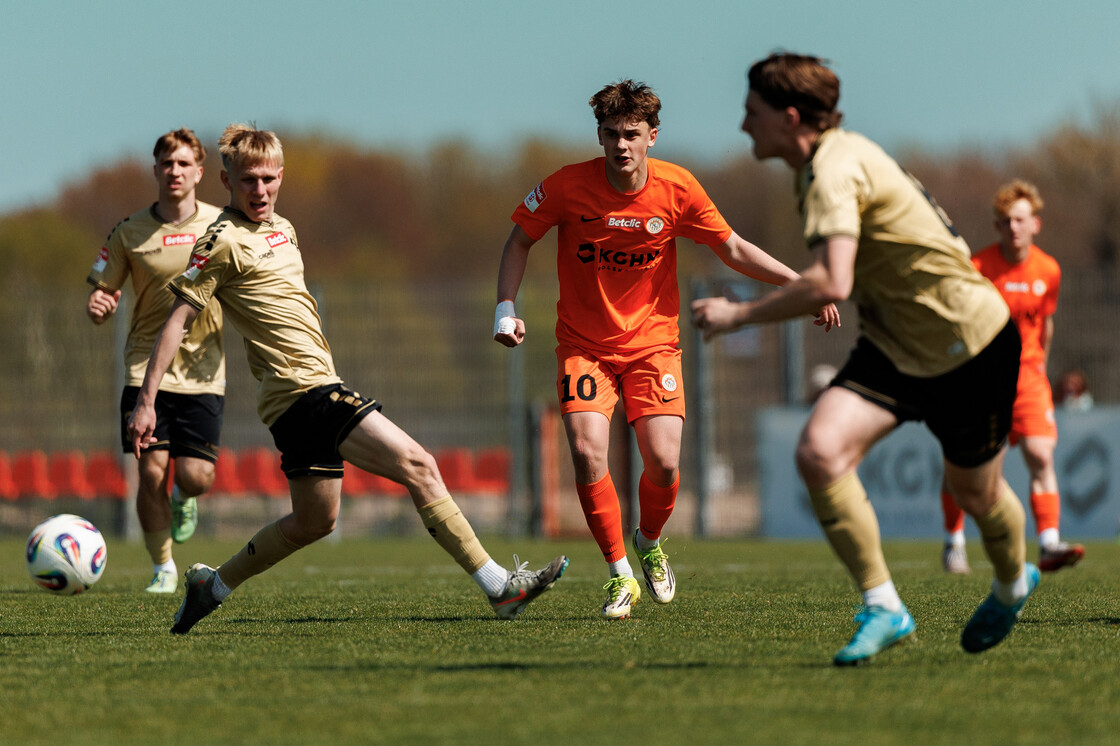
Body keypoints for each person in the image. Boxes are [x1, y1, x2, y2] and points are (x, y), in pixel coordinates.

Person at [128, 123, 567, 635]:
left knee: (315, 521)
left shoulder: (285, 229)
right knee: (419, 464)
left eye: (269, 178)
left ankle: (214, 586)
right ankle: (500, 588)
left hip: (297, 399)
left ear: (281, 177)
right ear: (225, 181)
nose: (260, 190)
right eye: (248, 180)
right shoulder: (219, 241)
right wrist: (146, 402)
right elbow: (177, 320)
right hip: (306, 392)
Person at [691, 53, 1039, 664]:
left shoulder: (832, 170)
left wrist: (738, 316)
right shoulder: (825, 163)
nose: (744, 125)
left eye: (752, 112)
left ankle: (1012, 585)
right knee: (819, 451)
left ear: (789, 117)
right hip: (896, 346)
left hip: (970, 345)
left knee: (978, 496)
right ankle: (884, 606)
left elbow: (832, 283)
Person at [493, 80, 837, 620]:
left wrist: (802, 286)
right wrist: (505, 307)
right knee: (586, 452)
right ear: (600, 136)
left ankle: (648, 541)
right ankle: (619, 575)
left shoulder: (678, 189)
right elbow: (519, 239)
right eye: (611, 134)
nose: (621, 145)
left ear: (652, 136)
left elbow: (734, 248)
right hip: (584, 346)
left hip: (654, 347)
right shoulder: (565, 187)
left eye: (632, 134)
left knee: (665, 462)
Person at [86, 128, 225, 594]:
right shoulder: (129, 232)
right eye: (167, 163)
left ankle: (186, 497)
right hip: (143, 371)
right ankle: (163, 566)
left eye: (184, 163)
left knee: (196, 475)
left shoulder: (223, 225)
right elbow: (104, 288)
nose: (175, 171)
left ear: (200, 172)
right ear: (155, 171)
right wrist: (100, 304)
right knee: (150, 471)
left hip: (205, 371)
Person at [939, 181, 1083, 575]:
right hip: (982, 380)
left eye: (1020, 220)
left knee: (1040, 454)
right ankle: (954, 541)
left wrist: (1040, 369)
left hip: (1029, 377)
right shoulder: (978, 268)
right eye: (1005, 221)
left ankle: (1050, 542)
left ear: (1035, 224)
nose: (1013, 228)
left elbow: (1045, 325)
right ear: (996, 226)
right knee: (970, 470)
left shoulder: (1048, 269)